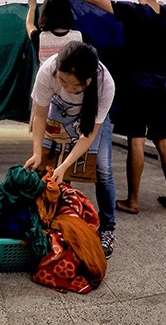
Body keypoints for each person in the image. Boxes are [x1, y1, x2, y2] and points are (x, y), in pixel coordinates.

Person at [49, 0, 166, 215]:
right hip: (161, 90)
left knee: (136, 141)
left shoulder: (134, 11)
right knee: (163, 142)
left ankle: (133, 201)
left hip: (137, 88)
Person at [24, 41, 117, 258]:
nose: (69, 88)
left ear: (89, 79)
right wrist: (37, 152)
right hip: (57, 114)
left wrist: (66, 165)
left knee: (102, 170)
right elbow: (39, 114)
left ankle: (108, 229)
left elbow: (89, 134)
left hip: (90, 122)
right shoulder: (48, 71)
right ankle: (56, 223)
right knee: (50, 169)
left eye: (77, 86)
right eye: (63, 81)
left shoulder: (105, 84)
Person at [25, 0, 83, 66]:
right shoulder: (79, 37)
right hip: (72, 77)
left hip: (44, 77)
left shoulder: (40, 37)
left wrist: (32, 6)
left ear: (45, 14)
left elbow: (29, 23)